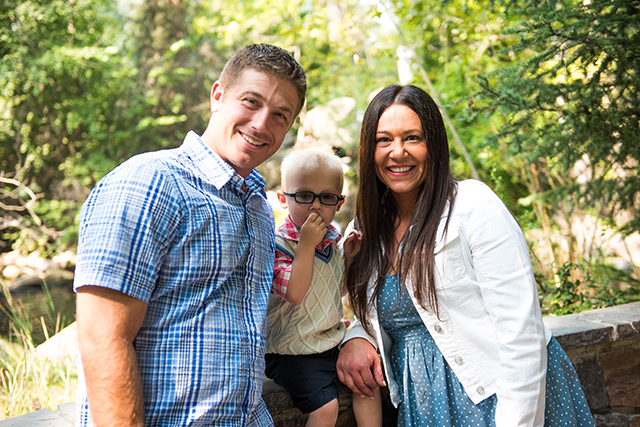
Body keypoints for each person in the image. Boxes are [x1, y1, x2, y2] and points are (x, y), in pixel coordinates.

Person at [73, 44, 306, 427]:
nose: (262, 124)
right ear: (218, 96)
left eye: (280, 115)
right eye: (251, 101)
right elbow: (102, 340)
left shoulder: (260, 210)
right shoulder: (148, 183)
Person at [335, 84, 596, 426]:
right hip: (427, 409)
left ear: (434, 146)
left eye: (412, 137)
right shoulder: (365, 228)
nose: (398, 152)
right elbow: (370, 308)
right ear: (369, 150)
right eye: (384, 140)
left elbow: (522, 329)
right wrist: (356, 335)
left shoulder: (472, 204)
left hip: (505, 398)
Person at [265, 146, 382, 427]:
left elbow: (337, 291)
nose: (315, 206)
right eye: (304, 196)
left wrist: (350, 259)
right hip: (290, 351)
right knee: (326, 408)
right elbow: (295, 293)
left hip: (328, 341)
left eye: (326, 198)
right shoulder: (279, 245)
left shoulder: (333, 243)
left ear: (338, 204)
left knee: (367, 382)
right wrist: (305, 245)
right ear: (283, 199)